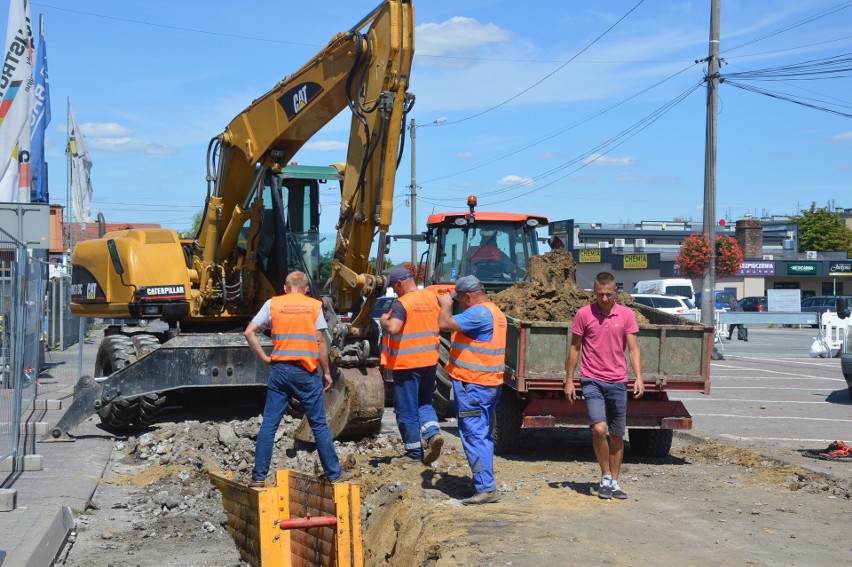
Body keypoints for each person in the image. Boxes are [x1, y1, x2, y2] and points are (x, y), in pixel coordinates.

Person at [244, 271, 351, 486]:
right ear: (305, 289)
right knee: (319, 424)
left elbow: (249, 332)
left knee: (269, 425)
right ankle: (334, 475)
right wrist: (327, 372)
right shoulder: (313, 306)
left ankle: (258, 477)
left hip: (280, 371)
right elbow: (320, 341)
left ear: (285, 288)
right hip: (305, 372)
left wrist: (265, 358)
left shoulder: (273, 304)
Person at [564, 271, 644, 500]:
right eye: (600, 294)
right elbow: (575, 348)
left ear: (615, 292)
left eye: (609, 294)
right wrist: (569, 380)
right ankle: (605, 475)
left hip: (618, 381)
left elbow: (633, 349)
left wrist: (638, 377)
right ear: (594, 292)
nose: (605, 299)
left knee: (618, 434)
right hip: (592, 380)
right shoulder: (584, 314)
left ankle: (615, 482)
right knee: (600, 429)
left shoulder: (627, 315)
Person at [437, 275, 507, 505]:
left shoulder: (477, 313)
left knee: (474, 434)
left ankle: (486, 488)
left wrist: (445, 306)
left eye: (460, 300)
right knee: (482, 433)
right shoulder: (494, 311)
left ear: (468, 296)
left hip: (473, 384)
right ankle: (485, 482)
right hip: (486, 383)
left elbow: (444, 324)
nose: (459, 303)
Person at [380, 267, 444, 465]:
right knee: (424, 402)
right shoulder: (430, 298)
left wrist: (383, 320)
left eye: (393, 286)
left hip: (407, 364)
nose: (394, 290)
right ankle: (433, 434)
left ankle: (413, 453)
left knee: (406, 408)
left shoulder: (402, 303)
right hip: (429, 361)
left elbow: (394, 327)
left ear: (399, 284)